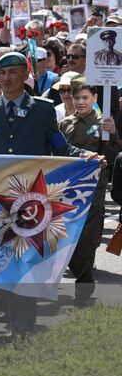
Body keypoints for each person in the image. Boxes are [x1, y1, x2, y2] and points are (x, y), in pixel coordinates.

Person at [0, 51, 100, 341]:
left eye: (13, 73)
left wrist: (85, 155)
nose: (7, 79)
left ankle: (22, 328)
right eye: (2, 74)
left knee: (24, 262)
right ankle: (15, 318)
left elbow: (60, 148)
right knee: (4, 263)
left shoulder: (42, 109)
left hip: (31, 201)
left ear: (25, 75)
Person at [59, 76, 117, 304]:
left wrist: (112, 134)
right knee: (68, 233)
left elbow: (111, 157)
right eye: (76, 98)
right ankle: (78, 269)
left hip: (94, 187)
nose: (80, 102)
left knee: (89, 235)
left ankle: (84, 283)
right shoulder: (65, 124)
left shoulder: (103, 123)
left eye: (85, 97)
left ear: (94, 98)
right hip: (68, 187)